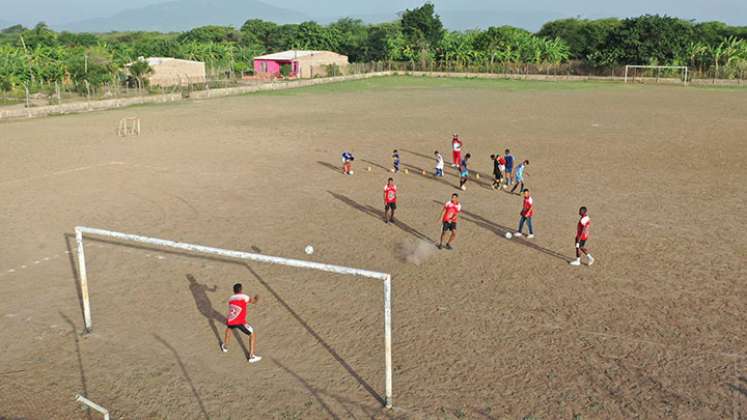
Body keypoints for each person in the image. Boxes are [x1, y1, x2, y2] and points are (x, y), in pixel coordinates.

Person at [221, 283, 261, 363]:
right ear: (241, 289)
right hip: (240, 321)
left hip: (231, 319)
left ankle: (225, 347)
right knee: (252, 334)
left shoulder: (231, 298)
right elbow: (254, 302)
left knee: (229, 329)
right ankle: (251, 356)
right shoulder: (244, 297)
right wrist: (257, 298)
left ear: (233, 290)